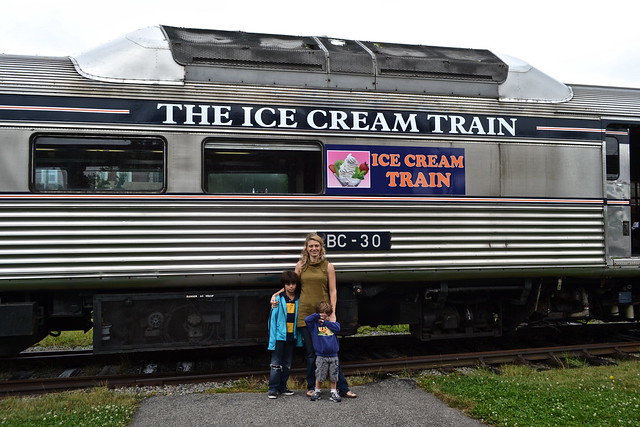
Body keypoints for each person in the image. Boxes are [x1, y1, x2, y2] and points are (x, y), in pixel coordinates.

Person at [271, 233, 357, 398]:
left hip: (323, 316)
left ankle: (342, 388)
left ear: (321, 247)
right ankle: (311, 387)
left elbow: (333, 290)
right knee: (311, 354)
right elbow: (291, 286)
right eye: (310, 246)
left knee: (329, 352)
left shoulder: (328, 266)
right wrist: (276, 294)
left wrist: (332, 314)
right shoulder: (301, 265)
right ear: (306, 248)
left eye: (316, 245)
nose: (314, 248)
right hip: (305, 316)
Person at [267, 270, 303, 399]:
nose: (291, 286)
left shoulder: (299, 299)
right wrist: (272, 340)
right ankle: (273, 388)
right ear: (284, 285)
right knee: (276, 364)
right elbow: (272, 321)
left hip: (291, 336)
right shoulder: (278, 299)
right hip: (279, 337)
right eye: (288, 284)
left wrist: (298, 338)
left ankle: (283, 387)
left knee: (287, 364)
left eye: (293, 283)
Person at [305, 301, 341, 402]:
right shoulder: (314, 325)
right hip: (321, 355)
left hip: (333, 355)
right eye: (323, 314)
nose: (325, 316)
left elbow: (338, 328)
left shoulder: (332, 324)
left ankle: (333, 392)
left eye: (327, 314)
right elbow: (307, 319)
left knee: (334, 375)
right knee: (320, 374)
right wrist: (318, 316)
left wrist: (326, 322)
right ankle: (317, 390)